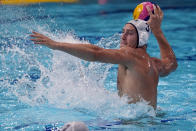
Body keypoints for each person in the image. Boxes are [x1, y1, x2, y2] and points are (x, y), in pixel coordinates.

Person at [30, 5, 177, 109]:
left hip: (131, 124)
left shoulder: (130, 55)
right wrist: (157, 31)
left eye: (130, 33)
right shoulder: (154, 63)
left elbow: (96, 53)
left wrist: (55, 44)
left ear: (142, 38)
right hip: (146, 120)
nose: (123, 37)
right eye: (123, 32)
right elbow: (171, 63)